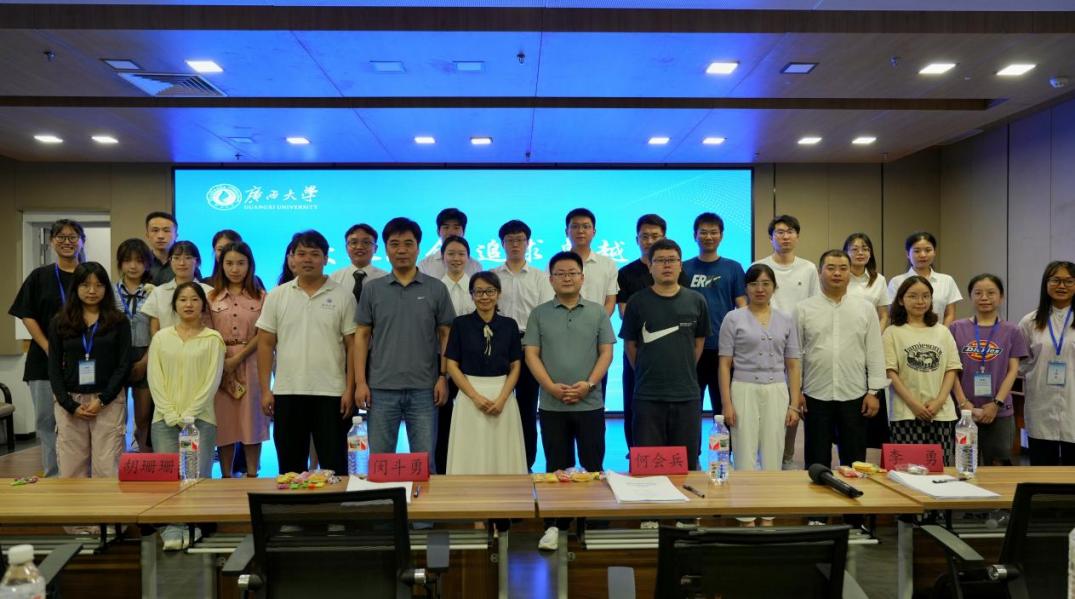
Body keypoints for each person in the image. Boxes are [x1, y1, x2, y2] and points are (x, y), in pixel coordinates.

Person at [524, 251, 614, 551]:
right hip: (552, 405)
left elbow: (606, 352)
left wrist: (589, 384)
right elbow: (531, 354)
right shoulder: (539, 314)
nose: (566, 278)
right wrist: (549, 386)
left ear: (582, 278)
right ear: (550, 279)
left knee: (592, 464)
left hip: (590, 403)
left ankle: (590, 520)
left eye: (572, 273)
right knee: (556, 466)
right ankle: (555, 524)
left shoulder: (597, 312)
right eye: (560, 273)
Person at [355, 218, 454, 473]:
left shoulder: (436, 288)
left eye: (408, 244)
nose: (401, 250)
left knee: (425, 463)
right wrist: (361, 382)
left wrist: (443, 377)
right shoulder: (372, 289)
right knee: (380, 463)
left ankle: (426, 503)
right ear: (386, 249)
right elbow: (362, 336)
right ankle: (386, 501)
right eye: (394, 244)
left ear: (419, 248)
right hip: (380, 388)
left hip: (425, 389)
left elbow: (446, 335)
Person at [257, 230, 356, 475]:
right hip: (287, 391)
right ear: (292, 258)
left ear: (325, 259)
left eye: (315, 254)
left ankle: (336, 502)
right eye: (301, 254)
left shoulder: (343, 295)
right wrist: (266, 390)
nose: (307, 259)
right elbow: (265, 344)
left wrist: (350, 389)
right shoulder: (277, 295)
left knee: (335, 467)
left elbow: (353, 346)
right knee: (290, 469)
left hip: (332, 393)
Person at [719, 264, 802, 527]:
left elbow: (793, 365)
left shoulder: (786, 319)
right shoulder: (733, 318)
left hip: (777, 390)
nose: (760, 289)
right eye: (754, 284)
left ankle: (767, 514)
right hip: (743, 388)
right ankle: (745, 515)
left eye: (766, 283)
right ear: (746, 288)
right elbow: (724, 364)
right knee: (743, 450)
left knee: (773, 451)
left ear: (774, 287)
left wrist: (794, 404)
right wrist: (727, 403)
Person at [620, 239, 709, 468]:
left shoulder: (697, 301)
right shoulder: (637, 302)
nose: (666, 265)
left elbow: (698, 343)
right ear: (650, 266)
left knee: (685, 465)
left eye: (672, 260)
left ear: (680, 265)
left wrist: (683, 367)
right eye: (660, 260)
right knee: (648, 467)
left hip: (686, 395)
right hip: (647, 396)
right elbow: (630, 345)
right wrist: (646, 370)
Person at [794, 250, 886, 469]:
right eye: (831, 268)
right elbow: (795, 355)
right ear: (820, 272)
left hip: (855, 394)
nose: (837, 273)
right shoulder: (803, 309)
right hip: (815, 393)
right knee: (816, 461)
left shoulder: (865, 309)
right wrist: (796, 391)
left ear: (849, 273)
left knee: (855, 462)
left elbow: (874, 351)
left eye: (843, 268)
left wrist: (874, 392)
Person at [8, 219, 84, 477]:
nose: (67, 242)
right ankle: (53, 475)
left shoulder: (90, 276)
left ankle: (80, 476)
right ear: (52, 241)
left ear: (81, 241)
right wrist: (49, 348)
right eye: (61, 237)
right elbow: (26, 314)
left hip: (81, 362)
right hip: (43, 361)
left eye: (73, 237)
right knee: (46, 421)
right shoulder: (39, 276)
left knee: (78, 421)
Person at [47, 262, 131, 478]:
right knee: (71, 469)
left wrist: (102, 399)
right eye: (85, 285)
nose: (92, 291)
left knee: (107, 468)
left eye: (99, 285)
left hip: (108, 401)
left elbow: (124, 364)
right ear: (75, 287)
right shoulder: (60, 321)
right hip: (70, 402)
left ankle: (106, 504)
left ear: (106, 288)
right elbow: (54, 366)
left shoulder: (119, 321)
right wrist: (69, 404)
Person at [616, 214, 690, 449]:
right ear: (636, 239)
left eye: (655, 236)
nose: (649, 241)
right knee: (634, 402)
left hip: (674, 350)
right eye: (644, 236)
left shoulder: (679, 271)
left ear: (664, 237)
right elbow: (624, 312)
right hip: (637, 348)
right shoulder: (626, 272)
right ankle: (635, 451)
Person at [444, 271, 526, 475]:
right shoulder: (460, 324)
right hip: (469, 394)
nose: (484, 296)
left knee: (503, 450)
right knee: (470, 450)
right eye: (478, 292)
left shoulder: (509, 325)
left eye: (490, 291)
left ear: (498, 293)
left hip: (502, 394)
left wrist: (503, 398)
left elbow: (516, 366)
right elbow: (452, 364)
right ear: (471, 295)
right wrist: (475, 397)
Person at [753, 214, 818, 470]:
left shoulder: (808, 268)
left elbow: (813, 305)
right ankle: (763, 456)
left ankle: (787, 456)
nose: (785, 236)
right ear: (771, 237)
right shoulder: (759, 265)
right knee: (764, 401)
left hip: (798, 344)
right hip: (765, 342)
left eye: (790, 232)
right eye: (779, 232)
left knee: (793, 399)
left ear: (797, 236)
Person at [147, 282, 225, 476]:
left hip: (200, 421)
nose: (188, 304)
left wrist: (190, 414)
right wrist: (169, 413)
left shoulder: (213, 339)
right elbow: (154, 379)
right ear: (174, 305)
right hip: (164, 421)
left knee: (195, 481)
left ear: (203, 305)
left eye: (194, 299)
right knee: (167, 482)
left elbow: (211, 382)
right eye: (182, 300)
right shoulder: (161, 338)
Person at [493, 220, 553, 471]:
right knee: (498, 403)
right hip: (497, 345)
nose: (515, 244)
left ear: (528, 243)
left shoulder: (540, 277)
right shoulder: (493, 276)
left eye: (520, 240)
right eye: (510, 240)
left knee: (527, 407)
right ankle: (499, 459)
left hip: (530, 344)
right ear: (502, 244)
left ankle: (526, 462)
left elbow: (545, 315)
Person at [949, 274, 1028, 466]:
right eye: (978, 293)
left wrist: (996, 403)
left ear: (1001, 297)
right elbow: (950, 370)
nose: (984, 297)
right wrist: (964, 404)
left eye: (991, 293)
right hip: (963, 411)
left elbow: (1013, 370)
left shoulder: (1012, 330)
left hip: (999, 411)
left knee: (999, 465)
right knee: (965, 464)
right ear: (970, 297)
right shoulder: (956, 328)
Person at [883, 276, 963, 465]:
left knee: (940, 469)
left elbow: (951, 369)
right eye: (913, 296)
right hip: (905, 413)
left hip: (941, 413)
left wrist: (939, 401)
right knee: (907, 470)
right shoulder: (892, 332)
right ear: (901, 300)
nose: (920, 301)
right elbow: (890, 372)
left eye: (926, 296)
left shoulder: (943, 331)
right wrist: (914, 405)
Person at [208, 242, 269, 478]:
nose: (235, 269)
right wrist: (224, 361)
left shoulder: (261, 297)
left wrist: (238, 358)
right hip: (219, 364)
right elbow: (206, 332)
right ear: (221, 265)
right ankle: (226, 476)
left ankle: (252, 475)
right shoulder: (211, 297)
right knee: (224, 422)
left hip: (252, 362)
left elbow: (263, 333)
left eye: (241, 263)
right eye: (229, 263)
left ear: (250, 265)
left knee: (252, 420)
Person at [684, 212, 746, 418]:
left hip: (724, 349)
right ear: (694, 235)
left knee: (724, 409)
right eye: (703, 232)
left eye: (713, 232)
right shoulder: (684, 268)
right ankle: (691, 443)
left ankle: (723, 442)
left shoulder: (733, 268)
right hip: (691, 348)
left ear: (721, 236)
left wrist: (740, 345)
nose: (708, 237)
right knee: (690, 409)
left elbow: (743, 307)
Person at [1018, 261, 1075, 465]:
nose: (1062, 286)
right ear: (1046, 284)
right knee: (1042, 467)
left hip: (1073, 401)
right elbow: (1020, 363)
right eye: (1056, 280)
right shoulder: (1030, 321)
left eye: (1069, 281)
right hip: (1041, 401)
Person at [843, 232, 892, 453]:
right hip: (844, 344)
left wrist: (873, 337)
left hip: (869, 346)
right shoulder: (840, 277)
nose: (860, 253)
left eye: (865, 248)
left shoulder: (878, 280)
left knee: (869, 399)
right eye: (854, 248)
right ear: (845, 252)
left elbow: (884, 314)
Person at [434, 235, 474, 473]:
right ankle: (443, 470)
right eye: (451, 253)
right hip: (440, 362)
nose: (456, 258)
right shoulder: (435, 288)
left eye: (461, 254)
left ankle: (468, 467)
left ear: (468, 258)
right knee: (443, 418)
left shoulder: (477, 287)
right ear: (442, 257)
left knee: (470, 417)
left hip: (471, 365)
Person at [114, 238, 156, 452]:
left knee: (143, 416)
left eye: (139, 261)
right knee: (116, 415)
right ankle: (118, 459)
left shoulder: (154, 292)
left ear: (147, 264)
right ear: (120, 263)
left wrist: (146, 361)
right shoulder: (110, 291)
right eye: (127, 260)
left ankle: (143, 458)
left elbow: (159, 330)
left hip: (146, 354)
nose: (133, 266)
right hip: (116, 357)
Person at [887, 232, 962, 326]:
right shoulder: (897, 282)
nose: (923, 255)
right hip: (905, 333)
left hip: (939, 333)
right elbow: (893, 314)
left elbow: (950, 314)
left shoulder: (947, 280)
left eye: (928, 250)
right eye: (917, 251)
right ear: (908, 254)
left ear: (934, 252)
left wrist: (942, 333)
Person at [141, 241, 213, 335]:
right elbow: (154, 328)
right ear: (170, 261)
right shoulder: (158, 292)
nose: (182, 263)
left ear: (197, 262)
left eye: (188, 258)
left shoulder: (209, 292)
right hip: (166, 344)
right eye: (176, 258)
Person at [565, 208, 617, 316]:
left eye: (586, 226)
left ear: (594, 232)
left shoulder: (608, 264)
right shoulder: (556, 264)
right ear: (566, 232)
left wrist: (598, 323)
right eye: (575, 226)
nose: (580, 231)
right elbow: (550, 298)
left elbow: (610, 301)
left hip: (598, 324)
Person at [329, 223, 389, 307]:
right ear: (346, 248)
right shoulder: (334, 279)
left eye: (366, 242)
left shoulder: (386, 279)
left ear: (375, 248)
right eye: (354, 242)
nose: (359, 247)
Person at [417, 208, 482, 278]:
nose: (451, 232)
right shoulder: (424, 265)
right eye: (446, 227)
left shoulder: (475, 266)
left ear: (464, 232)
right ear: (438, 232)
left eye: (456, 228)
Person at [145, 211, 202, 284]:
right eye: (155, 230)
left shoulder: (188, 264)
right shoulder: (142, 262)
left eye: (166, 231)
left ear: (176, 235)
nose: (160, 236)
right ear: (147, 235)